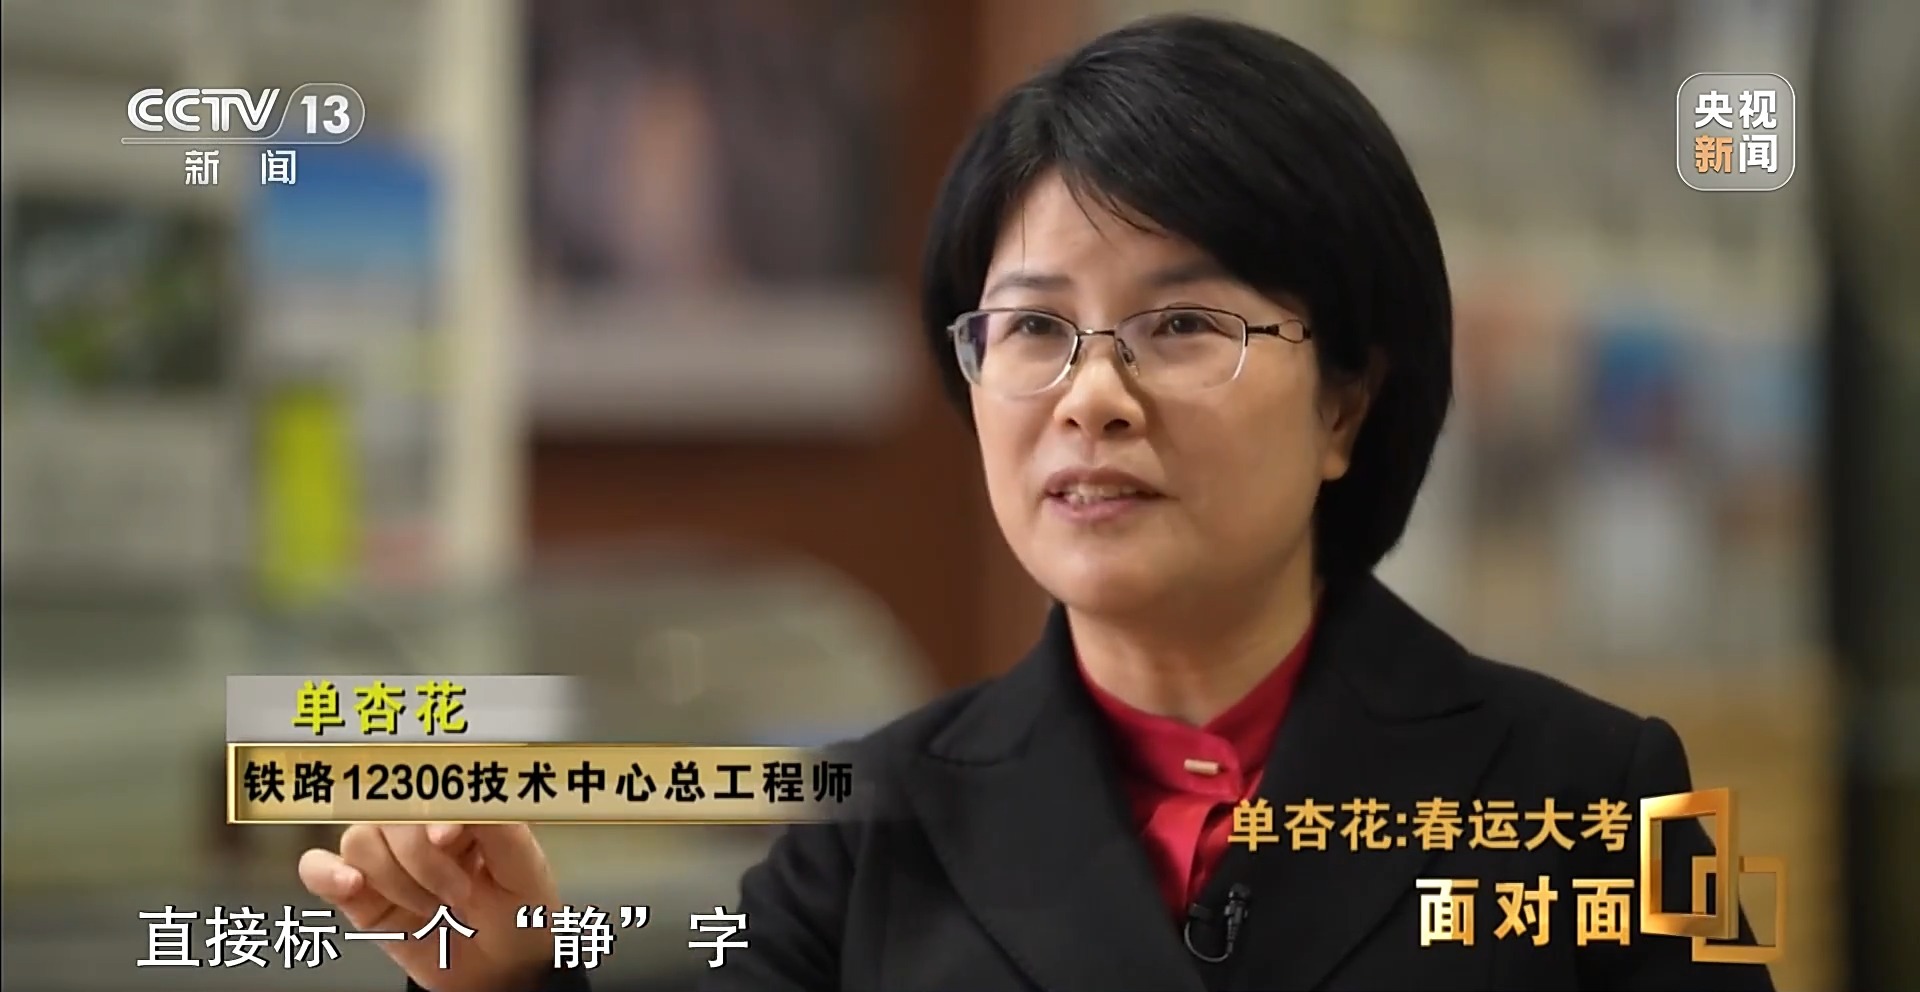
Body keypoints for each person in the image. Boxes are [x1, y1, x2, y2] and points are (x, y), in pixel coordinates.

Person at [300, 14, 1777, 992]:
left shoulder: (1602, 793)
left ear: (1346, 401)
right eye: (1031, 328)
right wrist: (515, 973)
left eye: (1182, 325)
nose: (1092, 395)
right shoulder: (868, 829)